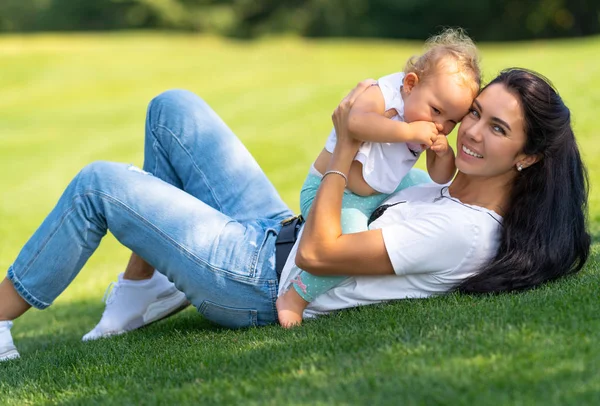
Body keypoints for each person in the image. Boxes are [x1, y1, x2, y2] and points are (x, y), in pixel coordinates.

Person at [0, 68, 590, 362]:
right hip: (274, 232)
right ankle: (142, 286)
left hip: (258, 282)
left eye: (498, 128)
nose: (472, 133)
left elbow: (319, 255)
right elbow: (363, 193)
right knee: (172, 110)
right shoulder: (450, 190)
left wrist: (344, 145)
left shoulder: (463, 234)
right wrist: (382, 125)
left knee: (102, 183)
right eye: (476, 114)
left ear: (529, 156)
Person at [276, 28, 481, 327]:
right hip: (335, 192)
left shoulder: (423, 114)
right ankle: (296, 296)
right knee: (349, 251)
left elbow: (440, 177)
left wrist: (442, 153)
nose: (441, 124)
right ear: (411, 84)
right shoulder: (382, 94)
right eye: (437, 111)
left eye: (452, 120)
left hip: (381, 188)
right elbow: (355, 123)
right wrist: (410, 132)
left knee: (427, 186)